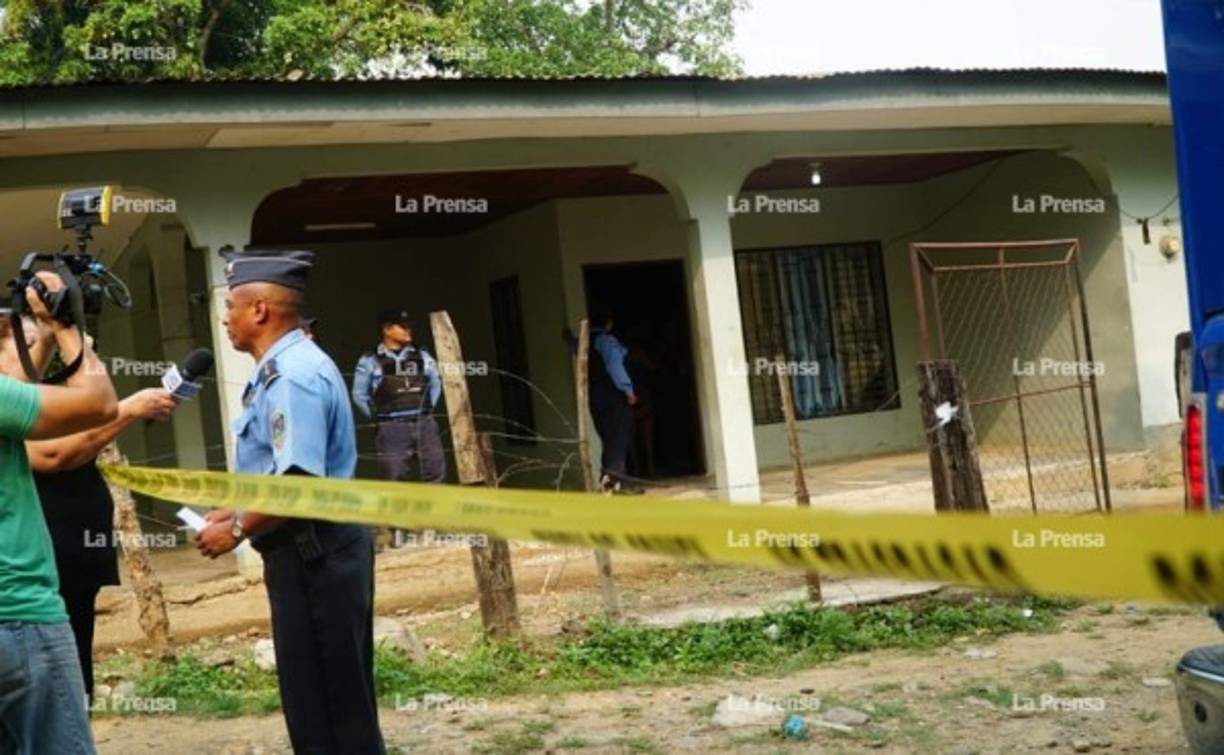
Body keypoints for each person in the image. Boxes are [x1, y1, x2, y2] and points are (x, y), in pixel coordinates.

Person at [195, 249, 384, 755]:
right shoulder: (283, 368)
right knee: (321, 701)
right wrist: (237, 511)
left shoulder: (294, 375)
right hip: (307, 553)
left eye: (231, 305)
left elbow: (299, 483)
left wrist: (235, 531)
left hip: (314, 555)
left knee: (328, 710)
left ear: (259, 310)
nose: (224, 317)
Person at [0, 273, 118, 754]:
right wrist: (66, 326)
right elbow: (99, 403)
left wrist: (41, 337)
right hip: (21, 615)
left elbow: (15, 403)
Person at [26, 374, 176, 702]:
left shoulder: (50, 383)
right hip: (33, 565)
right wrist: (131, 409)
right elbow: (53, 455)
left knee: (73, 674)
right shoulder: (14, 394)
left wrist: (73, 343)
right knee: (44, 683)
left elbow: (97, 401)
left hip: (71, 559)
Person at [351, 309, 446, 485]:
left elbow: (435, 385)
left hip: (424, 424)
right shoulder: (369, 360)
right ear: (387, 329)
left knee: (435, 474)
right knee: (393, 480)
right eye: (402, 327)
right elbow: (359, 395)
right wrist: (379, 416)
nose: (408, 330)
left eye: (409, 326)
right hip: (392, 428)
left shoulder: (422, 356)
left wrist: (426, 409)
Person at [567, 313, 643, 494]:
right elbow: (615, 367)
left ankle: (607, 482)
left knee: (607, 438)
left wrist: (568, 337)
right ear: (609, 324)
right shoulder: (606, 342)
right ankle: (619, 484)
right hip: (613, 396)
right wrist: (628, 391)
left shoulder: (585, 342)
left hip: (595, 397)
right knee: (618, 437)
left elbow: (575, 347)